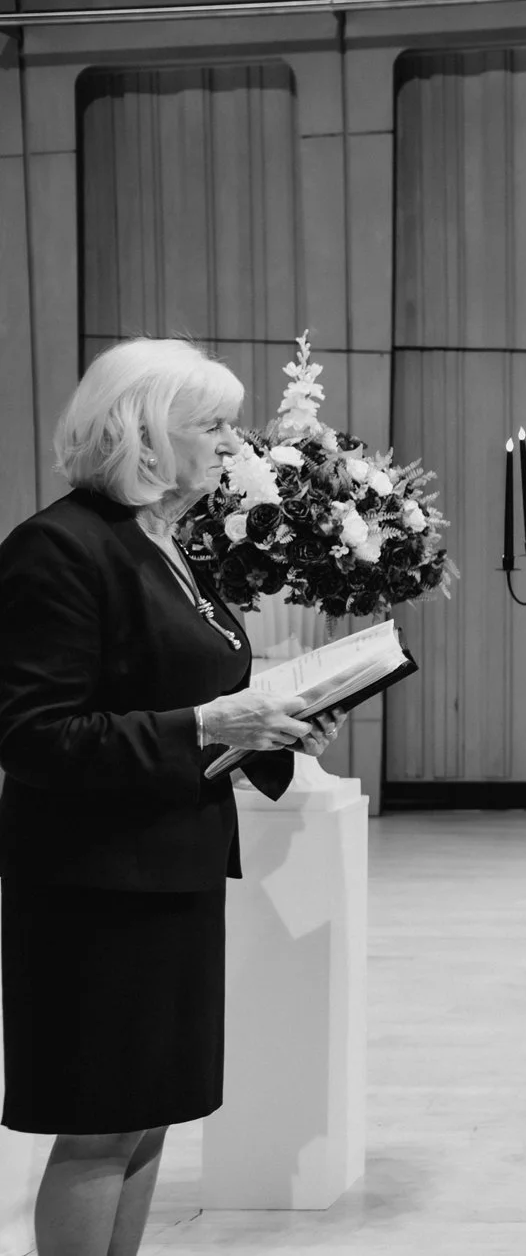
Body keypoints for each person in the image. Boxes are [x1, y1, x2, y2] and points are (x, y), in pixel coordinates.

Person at [0, 338, 342, 1256]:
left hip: (171, 870)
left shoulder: (164, 543)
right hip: (96, 888)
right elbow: (35, 736)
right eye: (216, 425)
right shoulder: (57, 547)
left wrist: (274, 732)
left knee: (148, 1115)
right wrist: (208, 725)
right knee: (100, 1122)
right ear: (144, 432)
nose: (235, 444)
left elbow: (188, 697)